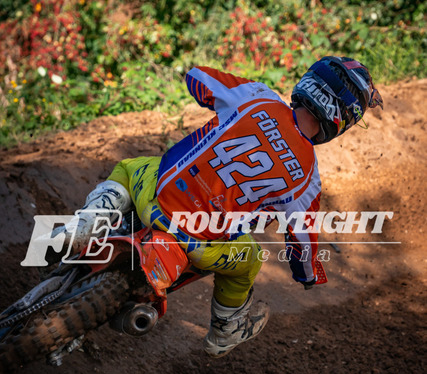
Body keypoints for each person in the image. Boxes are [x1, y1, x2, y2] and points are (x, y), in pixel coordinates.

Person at [63, 56, 383, 357]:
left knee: (129, 167)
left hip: (157, 201)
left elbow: (197, 77)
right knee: (250, 259)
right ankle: (225, 331)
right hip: (200, 245)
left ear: (309, 82)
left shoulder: (256, 97)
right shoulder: (308, 177)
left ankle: (86, 224)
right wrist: (308, 276)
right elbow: (302, 242)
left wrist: (212, 99)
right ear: (343, 118)